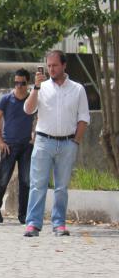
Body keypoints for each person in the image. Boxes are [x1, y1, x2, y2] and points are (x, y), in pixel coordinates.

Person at [23, 50, 90, 237]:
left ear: (64, 65)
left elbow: (83, 118)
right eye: (48, 66)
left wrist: (75, 141)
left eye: (55, 65)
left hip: (67, 142)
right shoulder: (41, 87)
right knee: (38, 184)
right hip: (44, 141)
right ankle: (33, 224)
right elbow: (28, 110)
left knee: (61, 187)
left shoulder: (77, 89)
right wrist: (35, 88)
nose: (51, 69)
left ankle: (59, 223)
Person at [0, 69, 35, 224]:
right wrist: (1, 142)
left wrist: (35, 133)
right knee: (3, 179)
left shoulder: (32, 100)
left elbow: (41, 115)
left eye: (22, 83)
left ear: (27, 83)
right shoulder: (6, 99)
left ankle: (23, 214)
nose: (19, 86)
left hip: (27, 146)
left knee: (26, 181)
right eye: (16, 82)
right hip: (9, 146)